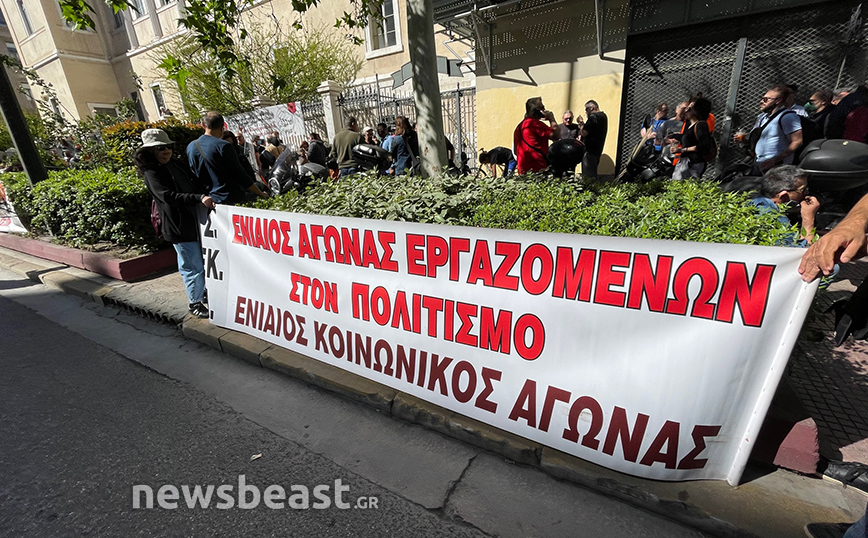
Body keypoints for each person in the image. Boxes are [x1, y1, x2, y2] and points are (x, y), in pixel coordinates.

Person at [136, 128, 215, 319]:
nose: (166, 151)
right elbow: (168, 196)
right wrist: (198, 198)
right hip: (178, 226)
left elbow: (195, 183)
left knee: (201, 262)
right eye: (160, 148)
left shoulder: (176, 164)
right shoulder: (152, 172)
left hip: (196, 221)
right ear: (149, 151)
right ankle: (195, 302)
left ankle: (201, 292)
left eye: (168, 146)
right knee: (192, 266)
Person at [187, 111, 269, 205]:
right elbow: (240, 174)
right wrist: (260, 193)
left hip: (209, 201)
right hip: (231, 199)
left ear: (203, 125)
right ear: (223, 127)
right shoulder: (223, 146)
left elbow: (194, 174)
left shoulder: (191, 147)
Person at [749, 165, 819, 246]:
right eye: (802, 190)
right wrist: (808, 219)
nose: (806, 193)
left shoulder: (756, 203)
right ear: (783, 196)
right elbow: (802, 251)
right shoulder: (773, 219)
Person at [751, 85, 803, 173]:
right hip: (761, 164)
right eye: (762, 98)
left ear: (778, 101)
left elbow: (797, 141)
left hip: (777, 167)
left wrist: (775, 160)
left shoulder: (788, 117)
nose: (761, 101)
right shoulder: (764, 118)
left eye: (766, 99)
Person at [513, 96, 560, 174]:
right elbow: (556, 135)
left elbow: (515, 150)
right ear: (533, 111)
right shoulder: (534, 124)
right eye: (542, 108)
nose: (544, 111)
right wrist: (551, 118)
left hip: (522, 170)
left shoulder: (519, 127)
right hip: (537, 169)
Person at [672, 97, 714, 180]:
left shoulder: (701, 125)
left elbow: (704, 145)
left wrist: (683, 150)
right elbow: (690, 140)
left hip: (693, 164)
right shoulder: (690, 125)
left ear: (697, 111)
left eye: (689, 109)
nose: (686, 111)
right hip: (684, 162)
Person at [581, 100, 608, 179]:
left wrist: (581, 125)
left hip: (589, 150)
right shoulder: (603, 116)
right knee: (593, 173)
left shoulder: (593, 117)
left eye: (586, 109)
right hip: (598, 150)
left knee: (588, 176)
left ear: (592, 108)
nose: (586, 112)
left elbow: (584, 133)